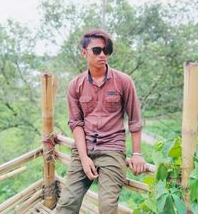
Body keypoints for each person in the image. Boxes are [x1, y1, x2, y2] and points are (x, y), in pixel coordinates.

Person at [56, 28, 146, 214]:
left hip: (112, 149)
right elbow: (76, 123)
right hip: (84, 148)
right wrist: (83, 157)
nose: (102, 55)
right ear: (84, 53)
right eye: (97, 50)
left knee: (107, 207)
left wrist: (137, 153)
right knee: (66, 203)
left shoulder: (123, 81)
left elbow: (135, 120)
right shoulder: (76, 85)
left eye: (106, 50)